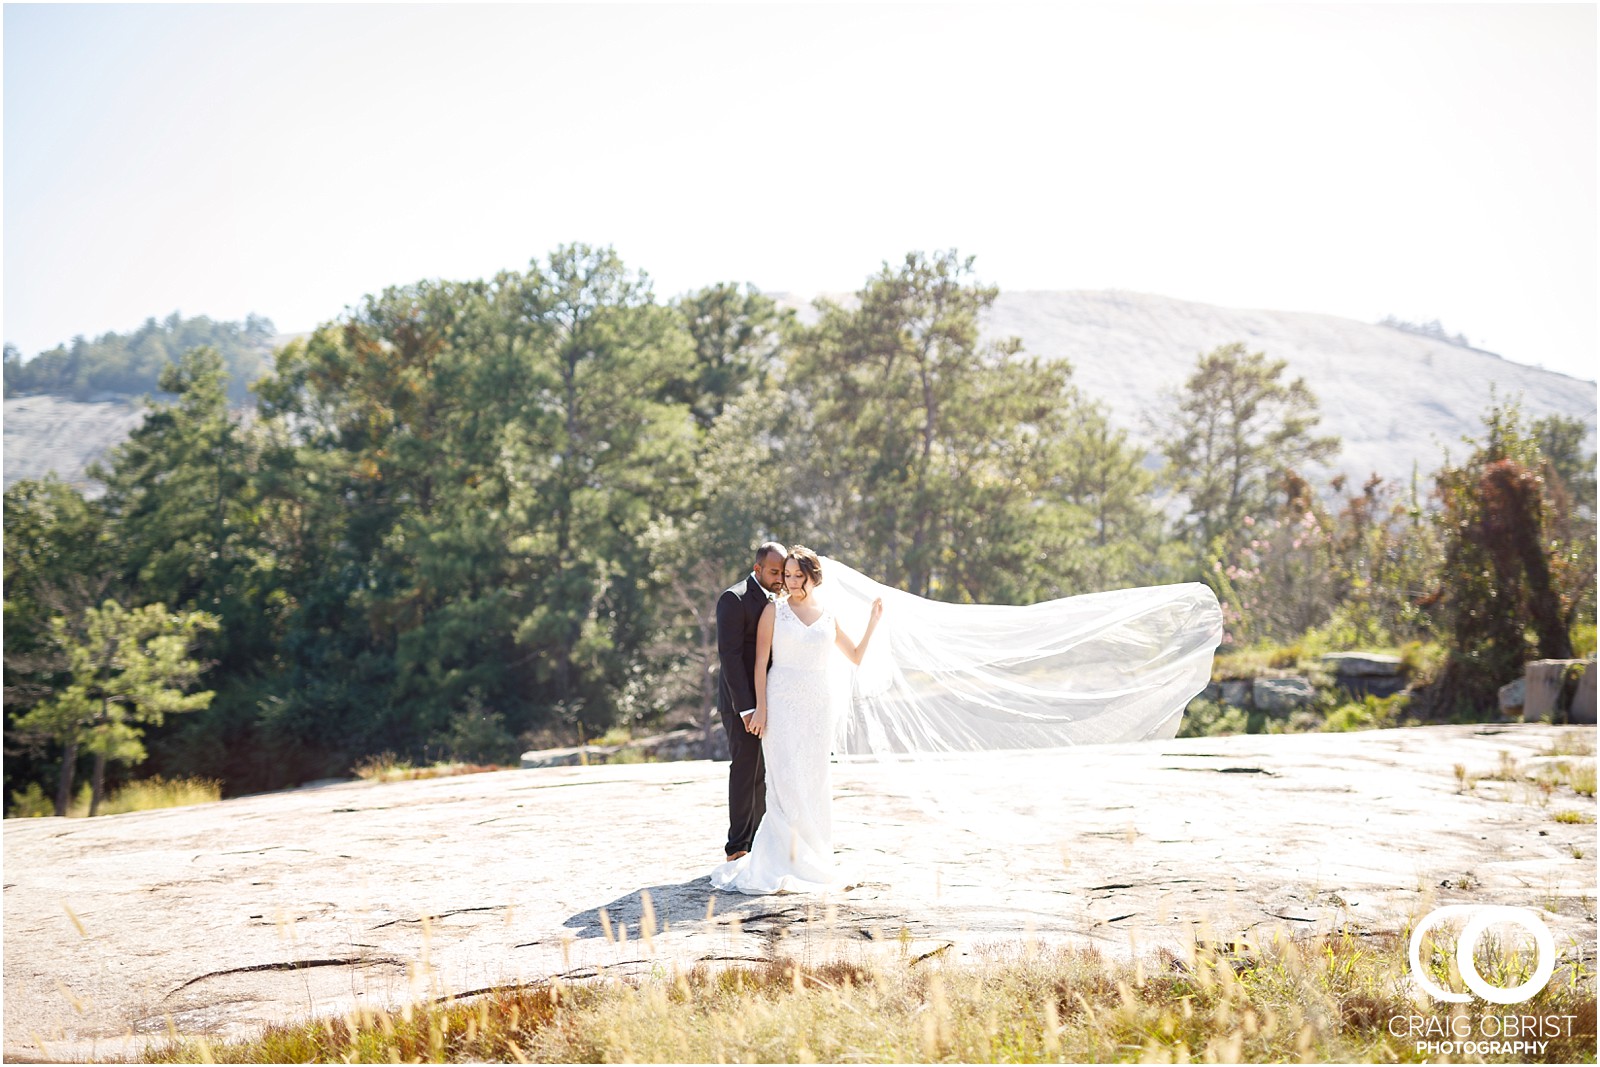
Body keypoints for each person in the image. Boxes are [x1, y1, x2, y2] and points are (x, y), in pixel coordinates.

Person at [711, 546, 883, 895]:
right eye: (785, 575)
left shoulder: (828, 615)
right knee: (784, 780)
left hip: (818, 705)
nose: (789, 581)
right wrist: (759, 708)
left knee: (815, 779)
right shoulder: (774, 612)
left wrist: (873, 623)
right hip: (781, 701)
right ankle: (780, 858)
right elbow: (760, 663)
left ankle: (815, 856)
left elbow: (854, 656)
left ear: (812, 577)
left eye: (796, 576)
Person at [715, 541, 787, 862]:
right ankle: (737, 848)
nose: (780, 578)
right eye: (774, 572)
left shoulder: (783, 601)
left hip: (771, 701)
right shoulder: (734, 599)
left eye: (783, 572)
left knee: (763, 774)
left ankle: (758, 844)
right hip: (740, 704)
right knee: (745, 770)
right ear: (757, 568)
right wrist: (747, 708)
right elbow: (730, 658)